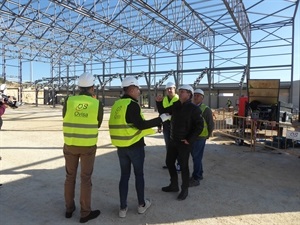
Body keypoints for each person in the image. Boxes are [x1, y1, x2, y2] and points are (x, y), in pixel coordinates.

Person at [108, 76, 171, 218]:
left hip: (121, 147)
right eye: (137, 89)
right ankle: (142, 205)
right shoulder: (132, 105)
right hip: (134, 146)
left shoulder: (117, 105)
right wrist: (161, 119)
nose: (139, 92)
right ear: (131, 89)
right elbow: (140, 125)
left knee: (124, 176)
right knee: (139, 175)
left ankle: (123, 208)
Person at [62, 72, 104, 223]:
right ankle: (85, 212)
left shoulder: (69, 100)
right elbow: (98, 123)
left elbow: (65, 117)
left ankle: (69, 208)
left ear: (79, 87)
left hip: (70, 144)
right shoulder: (97, 103)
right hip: (88, 146)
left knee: (69, 177)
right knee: (85, 179)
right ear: (92, 88)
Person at [156, 85, 203, 200]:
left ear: (189, 94)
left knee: (183, 166)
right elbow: (164, 112)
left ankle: (184, 189)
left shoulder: (194, 109)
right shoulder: (176, 105)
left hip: (184, 143)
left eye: (183, 92)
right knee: (169, 162)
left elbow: (199, 126)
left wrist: (189, 140)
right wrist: (158, 103)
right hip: (173, 140)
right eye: (180, 91)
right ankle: (174, 185)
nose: (180, 93)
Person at [189, 89, 214, 187]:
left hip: (200, 137)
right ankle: (199, 174)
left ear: (202, 98)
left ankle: (196, 177)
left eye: (198, 95)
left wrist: (207, 135)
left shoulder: (205, 109)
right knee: (196, 157)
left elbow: (210, 124)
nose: (196, 97)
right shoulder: (191, 107)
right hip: (192, 136)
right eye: (195, 95)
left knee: (196, 157)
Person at [157, 82, 179, 169]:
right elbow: (161, 112)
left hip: (176, 125)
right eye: (167, 89)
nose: (169, 90)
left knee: (176, 146)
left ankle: (179, 164)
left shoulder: (178, 99)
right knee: (168, 145)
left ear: (174, 89)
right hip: (166, 125)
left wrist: (163, 110)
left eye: (171, 88)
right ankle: (170, 163)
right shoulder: (164, 99)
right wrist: (159, 125)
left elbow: (171, 110)